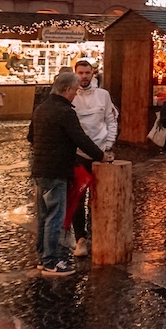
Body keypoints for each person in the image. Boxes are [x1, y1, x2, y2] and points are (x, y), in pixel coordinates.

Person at [27, 71, 109, 276]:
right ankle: (51, 262)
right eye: (73, 90)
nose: (75, 94)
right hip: (57, 170)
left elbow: (31, 136)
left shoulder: (41, 108)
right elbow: (80, 139)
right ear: (66, 89)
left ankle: (43, 256)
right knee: (55, 216)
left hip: (40, 169)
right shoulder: (65, 111)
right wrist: (101, 155)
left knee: (44, 216)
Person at [71, 59, 118, 257]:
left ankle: (100, 233)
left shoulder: (103, 95)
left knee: (101, 197)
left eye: (87, 72)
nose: (84, 76)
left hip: (101, 153)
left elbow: (111, 119)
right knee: (78, 197)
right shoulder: (71, 96)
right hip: (78, 154)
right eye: (80, 73)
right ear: (75, 74)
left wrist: (108, 145)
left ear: (93, 73)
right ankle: (81, 238)